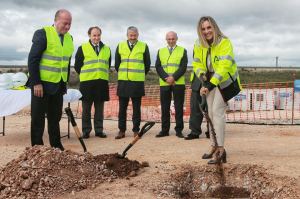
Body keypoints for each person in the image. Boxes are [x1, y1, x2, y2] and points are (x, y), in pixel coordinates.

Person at [194, 16, 241, 164]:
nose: (207, 31)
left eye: (209, 28)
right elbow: (197, 63)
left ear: (214, 27)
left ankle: (221, 149)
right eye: (203, 29)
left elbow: (224, 66)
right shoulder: (198, 44)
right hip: (209, 82)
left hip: (225, 82)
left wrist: (210, 84)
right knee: (210, 113)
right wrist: (201, 76)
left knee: (217, 111)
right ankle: (214, 145)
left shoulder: (224, 42)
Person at [27, 9, 74, 150]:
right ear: (56, 20)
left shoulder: (69, 38)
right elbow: (32, 59)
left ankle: (56, 146)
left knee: (55, 118)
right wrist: (36, 82)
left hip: (58, 85)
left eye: (69, 24)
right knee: (38, 118)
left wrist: (64, 84)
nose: (67, 27)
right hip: (41, 85)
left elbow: (65, 63)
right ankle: (37, 148)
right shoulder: (43, 33)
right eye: (65, 23)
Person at [74, 26, 111, 139]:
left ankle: (99, 130)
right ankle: (86, 131)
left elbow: (107, 65)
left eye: (98, 35)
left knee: (99, 109)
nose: (96, 37)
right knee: (86, 109)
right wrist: (87, 75)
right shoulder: (82, 48)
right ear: (89, 35)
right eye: (94, 35)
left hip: (101, 82)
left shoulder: (107, 49)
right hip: (87, 83)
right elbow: (77, 66)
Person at [114, 26, 151, 139]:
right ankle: (121, 130)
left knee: (136, 108)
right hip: (123, 81)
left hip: (137, 82)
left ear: (138, 35)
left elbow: (147, 64)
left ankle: (136, 130)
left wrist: (137, 74)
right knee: (122, 108)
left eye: (135, 35)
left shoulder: (144, 46)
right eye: (131, 35)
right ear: (127, 35)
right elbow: (117, 64)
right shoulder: (120, 45)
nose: (133, 37)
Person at [155, 31, 187, 138]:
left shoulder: (183, 50)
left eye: (173, 38)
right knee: (165, 107)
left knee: (178, 107)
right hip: (164, 83)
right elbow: (158, 66)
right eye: (169, 39)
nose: (171, 41)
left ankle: (179, 130)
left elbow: (183, 67)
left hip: (178, 83)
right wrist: (166, 78)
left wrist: (173, 77)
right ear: (166, 39)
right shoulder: (160, 51)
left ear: (176, 39)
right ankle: (164, 130)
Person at [185, 67, 210, 140]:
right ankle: (194, 132)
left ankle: (211, 131)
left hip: (211, 80)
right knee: (195, 108)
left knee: (211, 108)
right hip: (197, 82)